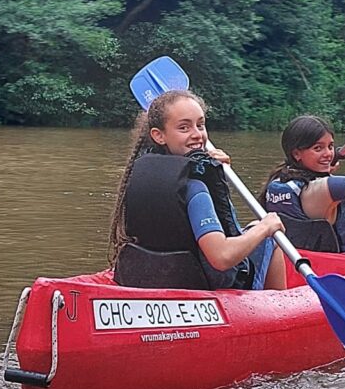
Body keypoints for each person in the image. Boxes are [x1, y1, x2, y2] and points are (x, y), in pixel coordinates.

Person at [109, 89, 287, 290]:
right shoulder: (195, 188)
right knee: (269, 234)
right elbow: (221, 258)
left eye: (200, 125)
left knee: (255, 228)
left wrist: (214, 173)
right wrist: (266, 227)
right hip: (203, 286)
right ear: (159, 135)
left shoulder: (140, 173)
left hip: (155, 276)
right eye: (184, 128)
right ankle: (276, 307)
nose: (197, 135)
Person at [261, 114, 345, 254]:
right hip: (339, 267)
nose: (328, 154)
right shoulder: (328, 188)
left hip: (296, 260)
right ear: (297, 154)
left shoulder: (280, 178)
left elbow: (314, 186)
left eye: (330, 146)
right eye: (318, 148)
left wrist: (323, 167)